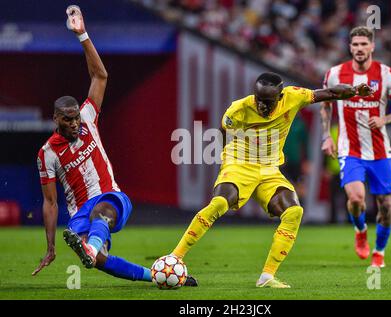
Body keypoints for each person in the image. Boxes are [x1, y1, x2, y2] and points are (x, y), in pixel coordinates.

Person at [32, 6, 198, 286]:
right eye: (67, 120)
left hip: (110, 197)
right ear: (56, 119)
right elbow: (50, 203)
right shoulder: (47, 154)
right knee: (98, 261)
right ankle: (156, 278)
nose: (74, 124)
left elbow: (100, 76)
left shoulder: (88, 117)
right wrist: (50, 247)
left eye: (75, 119)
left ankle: (91, 246)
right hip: (78, 214)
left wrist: (82, 35)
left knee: (102, 213)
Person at [170, 72, 373, 288]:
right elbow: (222, 133)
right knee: (219, 203)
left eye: (268, 102)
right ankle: (175, 257)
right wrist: (228, 162)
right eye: (259, 101)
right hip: (239, 164)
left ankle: (267, 277)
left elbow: (329, 93)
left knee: (294, 212)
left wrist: (353, 91)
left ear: (280, 96)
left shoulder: (294, 96)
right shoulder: (238, 108)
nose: (262, 107)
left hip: (269, 170)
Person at [321, 26, 391, 268]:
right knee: (356, 196)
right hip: (349, 150)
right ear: (350, 47)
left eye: (364, 44)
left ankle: (379, 252)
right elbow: (325, 105)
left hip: (380, 151)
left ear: (372, 46)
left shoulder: (386, 75)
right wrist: (326, 136)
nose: (359, 49)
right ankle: (360, 229)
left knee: (385, 204)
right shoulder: (335, 74)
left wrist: (385, 119)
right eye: (355, 45)